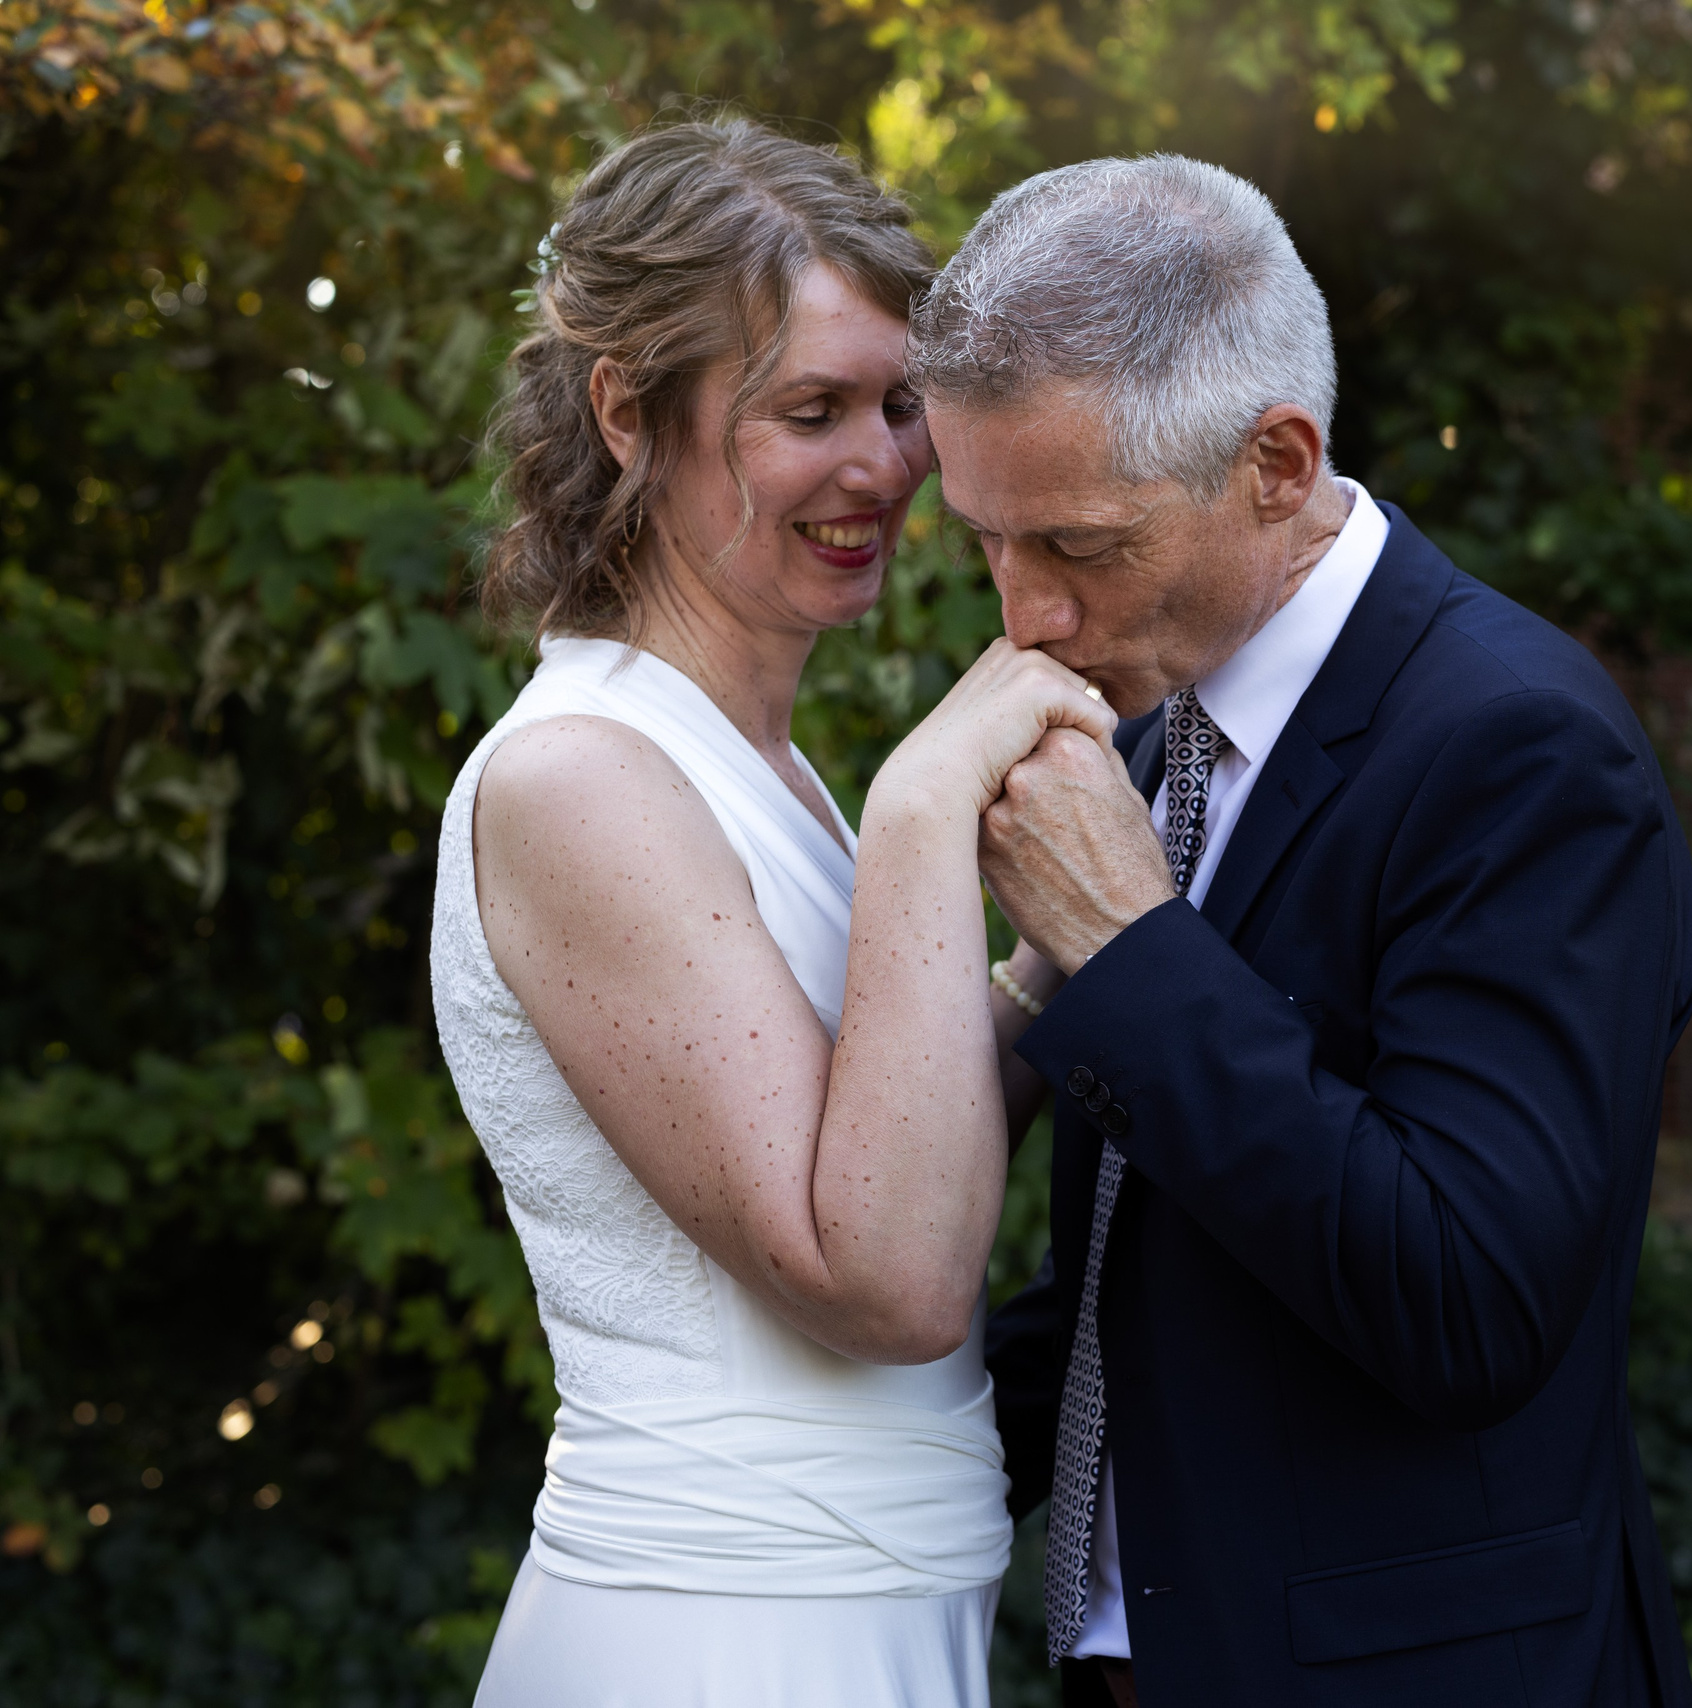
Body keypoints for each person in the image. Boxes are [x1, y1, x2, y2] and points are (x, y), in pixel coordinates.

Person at [912, 156, 1692, 1707]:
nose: (1022, 618)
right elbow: (1147, 1272)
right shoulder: (1153, 745)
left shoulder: (1520, 751)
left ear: (1277, 460)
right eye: (986, 541)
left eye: (1076, 545)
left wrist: (1134, 953)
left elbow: (1469, 1301)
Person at [429, 117, 1110, 1707]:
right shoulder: (582, 782)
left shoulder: (758, 770)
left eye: (898, 405)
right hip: (721, 1634)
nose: (881, 464)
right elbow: (886, 1275)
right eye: (811, 410)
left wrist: (1049, 963)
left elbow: (876, 1130)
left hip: (870, 1613)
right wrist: (931, 803)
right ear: (627, 414)